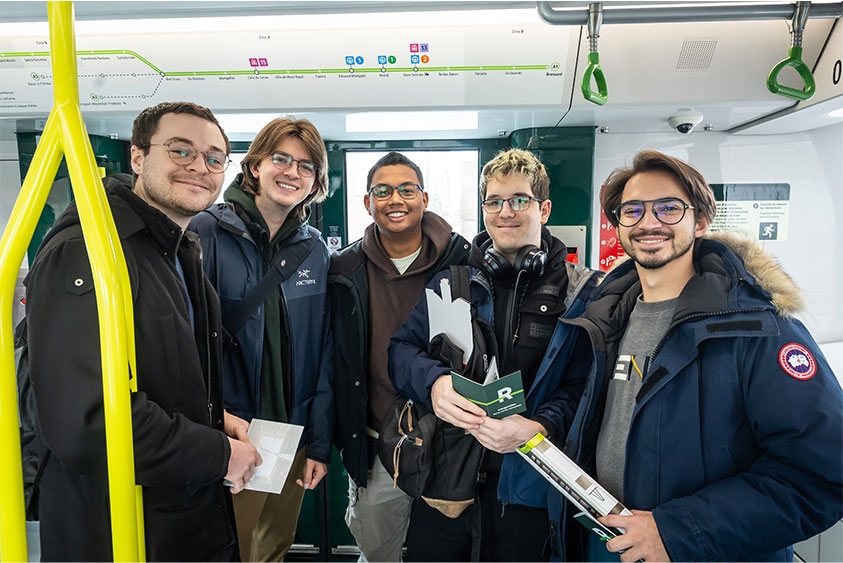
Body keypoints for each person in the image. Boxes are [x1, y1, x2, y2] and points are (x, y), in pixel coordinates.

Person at [559, 150, 843, 562]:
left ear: (701, 222)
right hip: (614, 543)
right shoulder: (605, 318)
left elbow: (821, 474)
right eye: (632, 210)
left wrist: (676, 532)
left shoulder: (759, 327)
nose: (649, 222)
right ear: (618, 225)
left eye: (669, 208)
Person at [26, 101, 262, 561]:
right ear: (138, 157)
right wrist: (217, 454)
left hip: (179, 517)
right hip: (119, 529)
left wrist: (216, 420)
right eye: (180, 151)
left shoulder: (176, 249)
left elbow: (163, 375)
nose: (200, 166)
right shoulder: (87, 251)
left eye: (215, 158)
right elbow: (87, 423)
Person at [389, 148, 602, 561]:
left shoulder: (582, 293)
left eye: (520, 199)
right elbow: (400, 352)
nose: (506, 211)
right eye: (494, 201)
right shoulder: (451, 283)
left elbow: (586, 385)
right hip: (448, 484)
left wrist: (538, 426)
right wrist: (434, 382)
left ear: (544, 208)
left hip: (532, 489)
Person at [188, 116, 334, 562]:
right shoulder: (204, 233)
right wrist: (216, 427)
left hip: (293, 437)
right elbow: (185, 343)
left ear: (315, 183)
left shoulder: (314, 249)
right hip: (234, 435)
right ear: (255, 166)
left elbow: (323, 350)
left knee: (274, 546)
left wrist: (320, 443)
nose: (292, 172)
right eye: (281, 159)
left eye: (306, 166)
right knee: (232, 548)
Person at [329, 151, 471, 562]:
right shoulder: (344, 269)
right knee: (378, 553)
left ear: (424, 198)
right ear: (367, 202)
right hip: (377, 447)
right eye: (383, 190)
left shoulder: (462, 260)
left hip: (451, 445)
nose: (396, 199)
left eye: (407, 189)